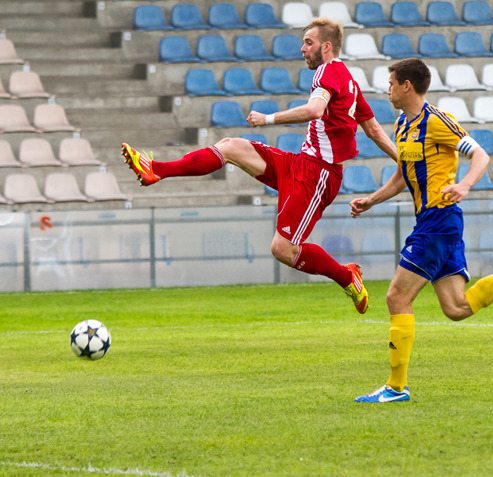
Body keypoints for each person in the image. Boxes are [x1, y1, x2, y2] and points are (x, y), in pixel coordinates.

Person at [120, 17, 398, 314]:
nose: (302, 48)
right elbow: (374, 130)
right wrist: (404, 160)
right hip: (301, 163)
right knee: (231, 146)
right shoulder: (349, 82)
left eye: (309, 42)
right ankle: (157, 170)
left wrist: (268, 119)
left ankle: (347, 277)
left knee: (282, 249)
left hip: (319, 174)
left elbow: (315, 109)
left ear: (326, 47)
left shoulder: (327, 74)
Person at [349, 58, 493, 403]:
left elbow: (479, 155)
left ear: (407, 85)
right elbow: (403, 174)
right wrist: (372, 200)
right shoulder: (402, 124)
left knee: (396, 297)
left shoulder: (436, 121)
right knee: (455, 308)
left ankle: (395, 388)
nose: (387, 89)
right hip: (435, 222)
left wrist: (465, 184)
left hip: (439, 220)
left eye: (391, 83)